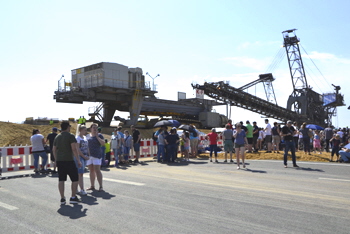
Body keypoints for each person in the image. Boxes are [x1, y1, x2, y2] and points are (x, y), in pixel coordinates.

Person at [52, 122, 81, 204]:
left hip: (60, 161)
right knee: (75, 179)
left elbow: (54, 149)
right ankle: (73, 197)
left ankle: (62, 198)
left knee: (61, 179)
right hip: (69, 160)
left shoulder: (57, 137)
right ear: (68, 127)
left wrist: (56, 160)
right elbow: (74, 149)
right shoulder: (70, 136)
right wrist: (78, 160)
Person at [86, 123, 105, 192]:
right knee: (91, 171)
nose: (94, 129)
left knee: (97, 170)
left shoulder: (100, 135)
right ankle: (92, 186)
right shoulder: (88, 136)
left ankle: (100, 186)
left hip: (96, 155)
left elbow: (103, 144)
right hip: (89, 156)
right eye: (93, 127)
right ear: (90, 128)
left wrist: (97, 137)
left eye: (96, 128)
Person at [75, 125, 90, 196]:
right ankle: (81, 189)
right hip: (80, 157)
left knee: (80, 174)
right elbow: (77, 149)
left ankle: (76, 188)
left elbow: (87, 147)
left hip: (85, 157)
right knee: (80, 174)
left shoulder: (85, 137)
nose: (85, 131)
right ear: (80, 130)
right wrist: (83, 156)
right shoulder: (77, 138)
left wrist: (88, 155)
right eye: (84, 130)